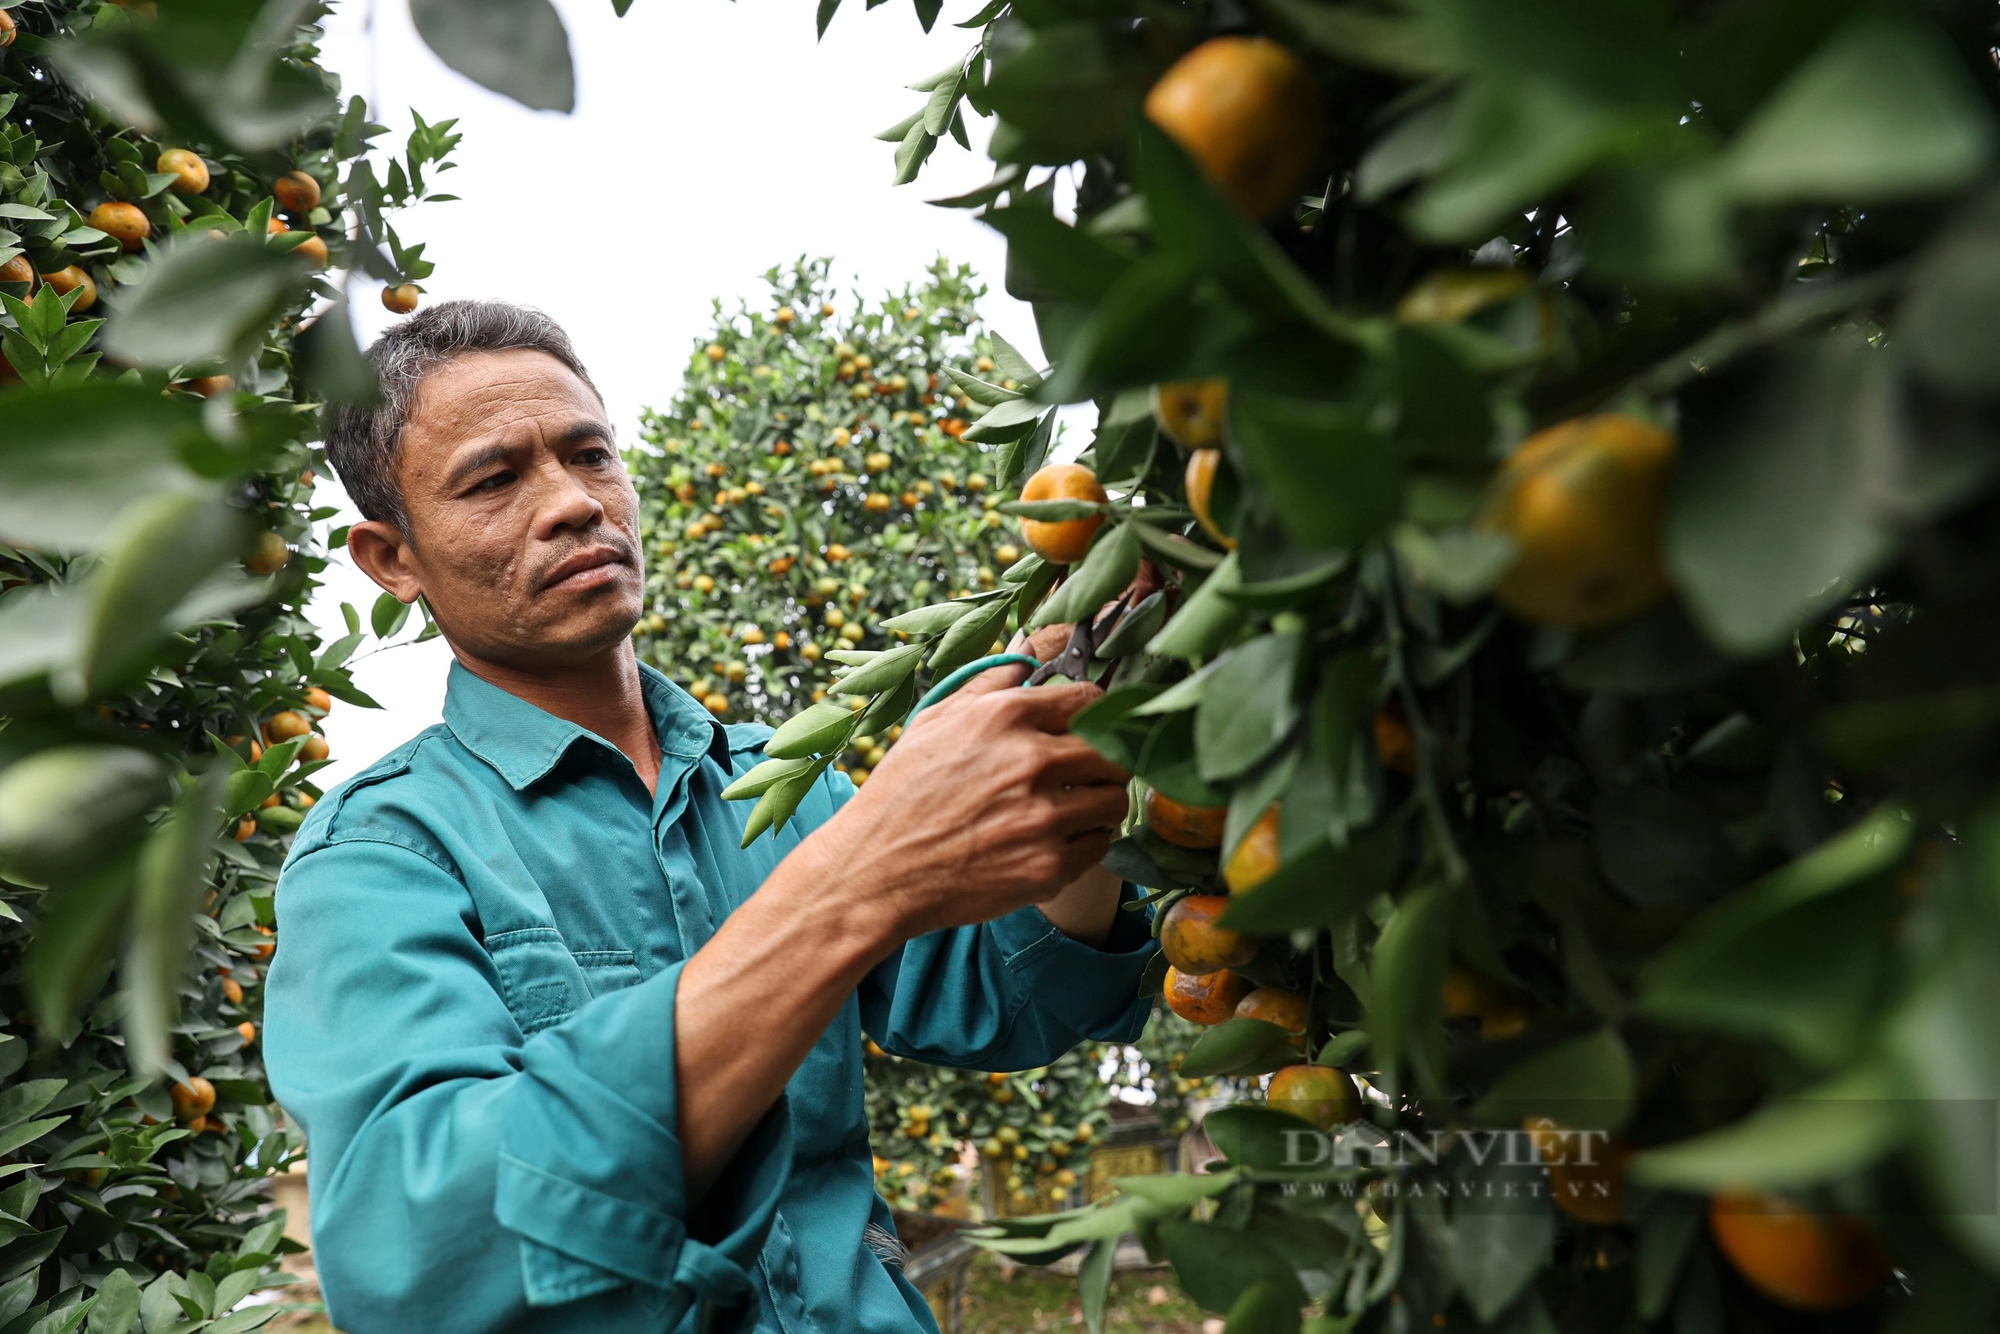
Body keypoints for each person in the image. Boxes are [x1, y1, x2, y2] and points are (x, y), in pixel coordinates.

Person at [263, 300, 1155, 1333]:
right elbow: (431, 1251)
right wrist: (854, 882)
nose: (572, 503)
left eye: (589, 454)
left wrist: (1083, 737)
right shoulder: (379, 856)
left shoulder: (774, 779)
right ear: (390, 557)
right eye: (495, 478)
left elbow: (1010, 999)